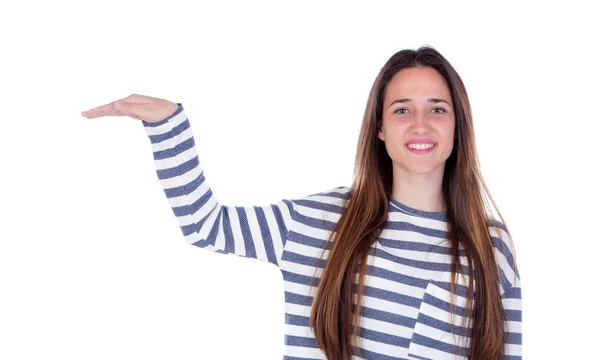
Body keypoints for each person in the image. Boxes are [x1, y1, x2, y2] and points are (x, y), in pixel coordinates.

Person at [81, 45, 522, 360]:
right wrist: (168, 126)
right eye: (402, 110)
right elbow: (205, 225)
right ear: (380, 129)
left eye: (438, 109)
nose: (420, 124)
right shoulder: (317, 222)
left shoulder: (490, 247)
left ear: (458, 125)